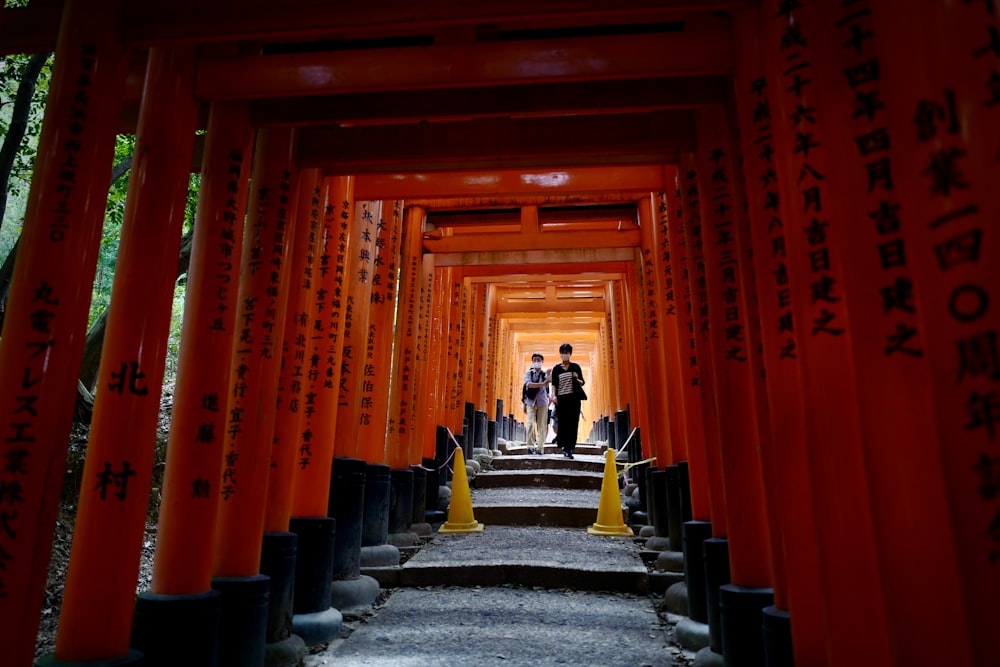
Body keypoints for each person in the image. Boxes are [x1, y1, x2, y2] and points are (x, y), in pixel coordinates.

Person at [549, 343, 585, 459]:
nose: (565, 354)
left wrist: (576, 377)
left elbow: (582, 382)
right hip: (561, 399)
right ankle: (564, 446)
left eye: (567, 352)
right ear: (560, 354)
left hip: (574, 399)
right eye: (563, 352)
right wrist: (554, 396)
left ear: (570, 354)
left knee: (573, 423)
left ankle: (570, 448)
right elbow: (554, 384)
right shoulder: (556, 368)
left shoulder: (575, 367)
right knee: (563, 424)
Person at [522, 353, 550, 454]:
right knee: (530, 423)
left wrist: (549, 374)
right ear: (532, 361)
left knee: (541, 425)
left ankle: (540, 447)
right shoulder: (528, 373)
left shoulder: (544, 374)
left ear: (542, 362)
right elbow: (528, 385)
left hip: (542, 402)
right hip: (530, 401)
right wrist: (541, 384)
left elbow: (550, 380)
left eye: (539, 360)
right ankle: (530, 445)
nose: (537, 362)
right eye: (535, 360)